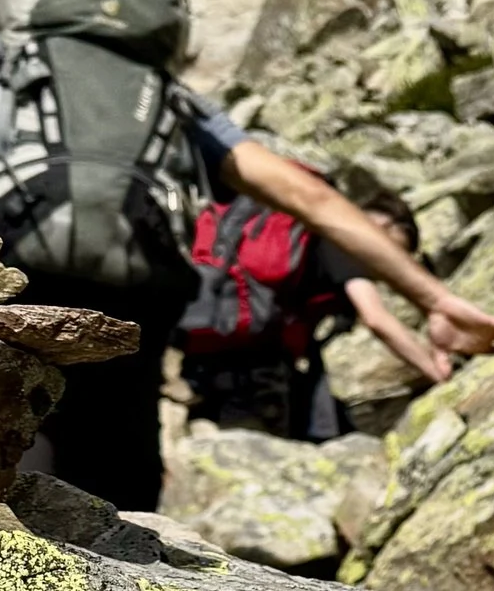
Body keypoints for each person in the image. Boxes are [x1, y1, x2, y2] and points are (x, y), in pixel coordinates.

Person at [0, 0, 494, 511]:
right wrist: (436, 300)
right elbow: (311, 198)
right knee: (111, 502)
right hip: (131, 311)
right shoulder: (170, 100)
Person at [181, 183, 450, 442]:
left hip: (202, 335)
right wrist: (438, 374)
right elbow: (377, 319)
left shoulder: (311, 235)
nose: (383, 268)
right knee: (253, 450)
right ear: (380, 230)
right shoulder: (344, 249)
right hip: (249, 362)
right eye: (391, 253)